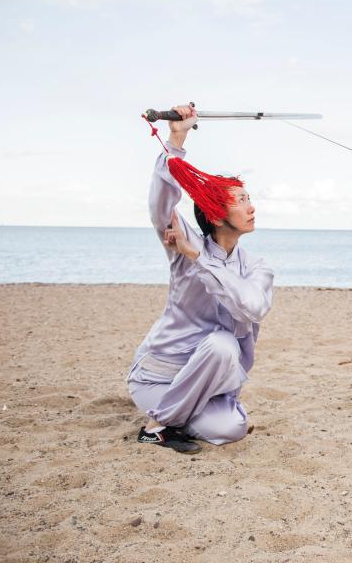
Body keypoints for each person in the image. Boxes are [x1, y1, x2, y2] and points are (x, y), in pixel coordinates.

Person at [126, 104, 274, 453]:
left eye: (249, 198)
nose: (251, 207)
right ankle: (157, 424)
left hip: (209, 382)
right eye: (241, 200)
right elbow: (160, 207)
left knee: (232, 427)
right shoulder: (185, 245)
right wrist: (176, 137)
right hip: (158, 377)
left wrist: (203, 262)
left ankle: (172, 418)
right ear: (216, 212)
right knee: (223, 343)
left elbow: (253, 307)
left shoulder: (257, 267)